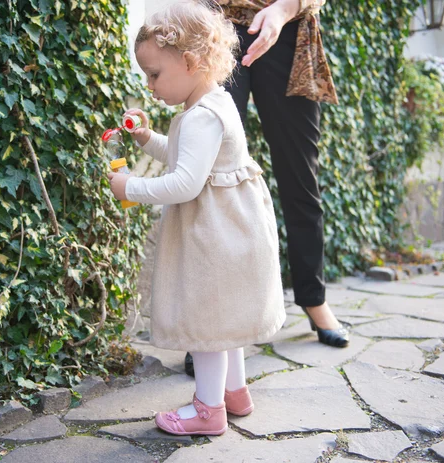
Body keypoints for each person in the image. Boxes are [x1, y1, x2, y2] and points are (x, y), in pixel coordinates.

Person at [108, 0, 286, 436]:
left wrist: (131, 187)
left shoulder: (203, 116)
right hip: (230, 231)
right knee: (225, 320)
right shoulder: (214, 103)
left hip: (215, 236)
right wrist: (148, 137)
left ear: (189, 61)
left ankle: (208, 411)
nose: (149, 85)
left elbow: (185, 183)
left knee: (207, 326)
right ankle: (234, 393)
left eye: (154, 74)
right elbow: (184, 156)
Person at [183, 0, 349, 378]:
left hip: (289, 33)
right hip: (217, 27)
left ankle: (314, 298)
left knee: (300, 180)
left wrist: (283, 10)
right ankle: (210, 328)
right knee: (209, 175)